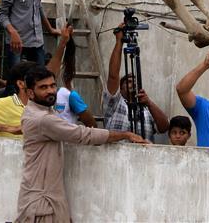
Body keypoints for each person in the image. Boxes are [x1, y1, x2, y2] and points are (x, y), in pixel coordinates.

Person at [15, 66, 146, 223]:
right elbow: (83, 134)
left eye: (52, 85)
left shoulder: (44, 112)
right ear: (30, 93)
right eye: (43, 87)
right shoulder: (43, 119)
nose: (50, 91)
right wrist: (126, 134)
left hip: (47, 201)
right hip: (42, 205)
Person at [103, 22, 169, 143]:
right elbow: (113, 76)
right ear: (120, 89)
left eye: (134, 82)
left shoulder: (146, 109)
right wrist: (119, 42)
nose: (132, 83)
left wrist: (149, 103)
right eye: (128, 81)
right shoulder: (115, 103)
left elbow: (164, 127)